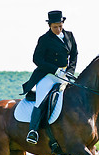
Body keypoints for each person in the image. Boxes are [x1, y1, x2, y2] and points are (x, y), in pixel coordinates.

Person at [22, 10, 78, 144]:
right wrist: (55, 70)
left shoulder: (69, 36)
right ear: (49, 26)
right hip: (48, 75)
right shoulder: (45, 39)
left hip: (65, 75)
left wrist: (70, 71)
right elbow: (37, 59)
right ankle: (33, 131)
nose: (58, 29)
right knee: (41, 99)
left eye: (60, 26)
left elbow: (74, 55)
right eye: (55, 27)